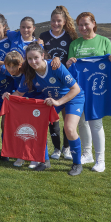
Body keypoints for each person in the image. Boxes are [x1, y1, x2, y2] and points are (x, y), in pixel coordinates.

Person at [6, 42, 84, 175]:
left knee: (69, 129)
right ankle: (45, 161)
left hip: (73, 98)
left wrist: (58, 102)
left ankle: (77, 164)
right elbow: (19, 93)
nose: (33, 61)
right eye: (29, 59)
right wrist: (8, 97)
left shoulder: (56, 67)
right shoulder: (29, 73)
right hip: (53, 100)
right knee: (38, 127)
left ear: (43, 56)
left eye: (36, 57)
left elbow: (75, 89)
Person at [66, 12, 111, 173]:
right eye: (80, 25)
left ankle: (101, 160)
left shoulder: (104, 41)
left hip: (97, 90)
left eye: (86, 24)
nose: (83, 28)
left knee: (96, 123)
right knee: (81, 122)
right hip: (78, 90)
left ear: (94, 23)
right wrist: (69, 62)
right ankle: (87, 153)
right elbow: (69, 70)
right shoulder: (75, 44)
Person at [39, 5, 78, 161]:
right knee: (53, 117)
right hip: (49, 81)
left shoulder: (70, 37)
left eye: (58, 21)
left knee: (67, 117)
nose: (55, 24)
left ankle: (66, 148)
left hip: (66, 81)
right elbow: (41, 55)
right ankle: (56, 148)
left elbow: (74, 55)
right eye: (53, 21)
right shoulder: (43, 35)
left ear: (64, 22)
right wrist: (51, 58)